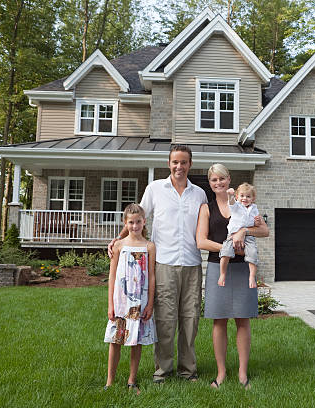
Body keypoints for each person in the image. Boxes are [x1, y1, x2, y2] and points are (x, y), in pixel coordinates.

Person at [108, 145, 207, 384]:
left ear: (190, 164)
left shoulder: (200, 194)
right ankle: (162, 370)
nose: (179, 167)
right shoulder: (155, 189)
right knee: (164, 319)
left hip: (193, 264)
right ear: (169, 163)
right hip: (163, 263)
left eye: (184, 162)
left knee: (190, 318)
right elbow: (138, 218)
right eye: (175, 162)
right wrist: (120, 239)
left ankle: (188, 370)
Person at [196, 163, 269, 389]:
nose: (218, 183)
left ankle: (242, 374)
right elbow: (201, 241)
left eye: (222, 179)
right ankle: (221, 373)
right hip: (220, 268)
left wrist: (243, 231)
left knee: (242, 320)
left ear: (229, 180)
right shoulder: (206, 208)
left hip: (243, 270)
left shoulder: (244, 204)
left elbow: (265, 231)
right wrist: (228, 247)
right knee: (219, 321)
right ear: (210, 184)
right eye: (213, 180)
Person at [104, 203, 157, 394]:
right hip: (121, 301)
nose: (135, 226)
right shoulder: (119, 245)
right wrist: (110, 304)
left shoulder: (149, 246)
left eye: (138, 222)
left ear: (144, 222)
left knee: (137, 341)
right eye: (131, 223)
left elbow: (151, 276)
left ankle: (131, 380)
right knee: (115, 340)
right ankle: (109, 381)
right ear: (125, 224)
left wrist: (150, 303)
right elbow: (111, 276)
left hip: (140, 302)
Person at [218, 183, 259, 288]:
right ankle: (222, 274)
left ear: (253, 198)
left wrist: (257, 222)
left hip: (249, 237)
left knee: (253, 254)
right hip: (232, 235)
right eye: (242, 196)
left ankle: (252, 276)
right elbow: (231, 203)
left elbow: (256, 223)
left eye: (248, 196)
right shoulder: (237, 206)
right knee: (225, 252)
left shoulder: (254, 208)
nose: (245, 198)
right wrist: (230, 195)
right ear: (237, 197)